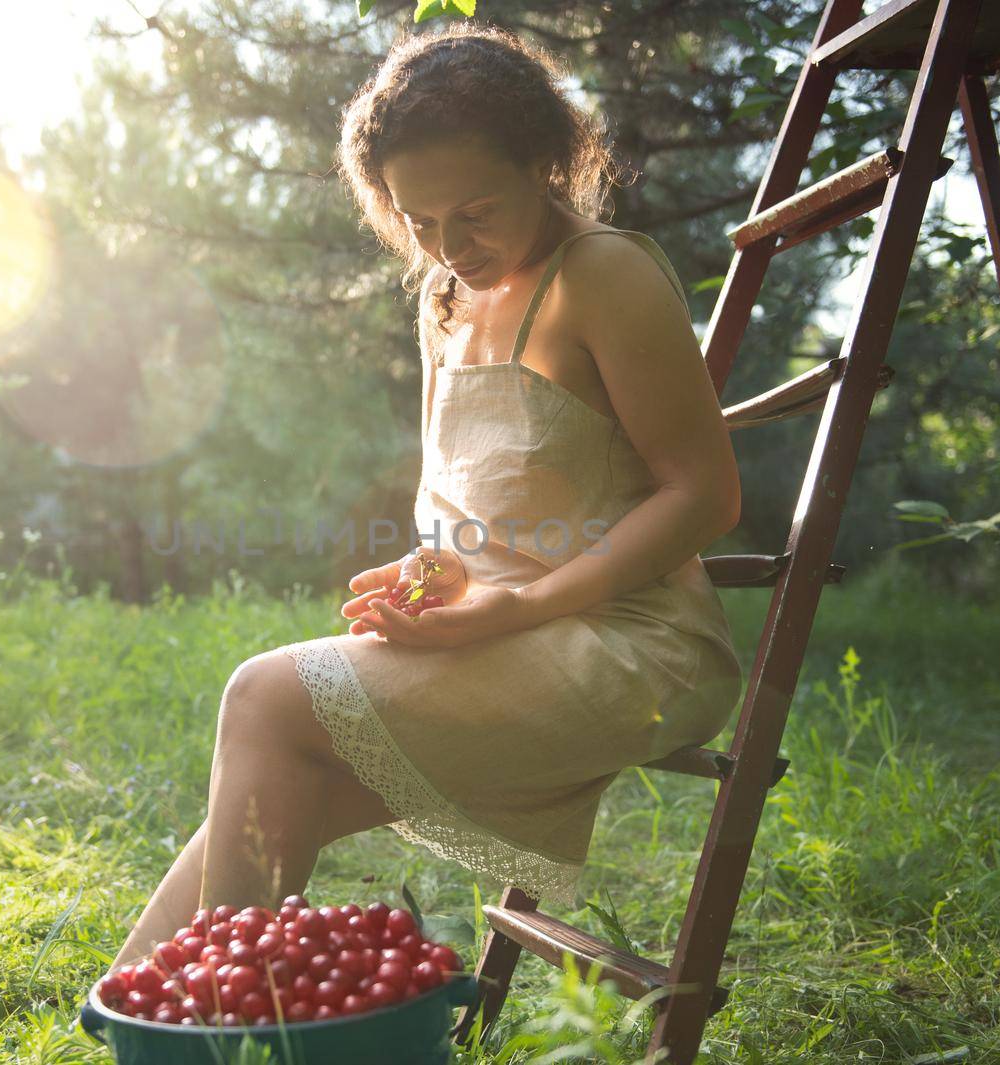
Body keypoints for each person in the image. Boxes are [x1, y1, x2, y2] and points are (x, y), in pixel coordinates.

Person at [109, 21, 744, 968]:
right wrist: (435, 573)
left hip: (633, 642)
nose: (450, 246)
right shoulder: (442, 298)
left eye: (477, 211)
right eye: (419, 222)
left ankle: (210, 1021)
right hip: (507, 625)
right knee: (284, 791)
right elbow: (475, 501)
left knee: (265, 696)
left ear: (545, 163)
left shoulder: (604, 275)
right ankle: (133, 1008)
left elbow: (704, 497)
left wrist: (516, 601)